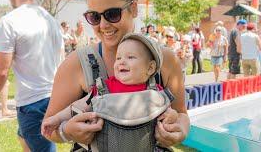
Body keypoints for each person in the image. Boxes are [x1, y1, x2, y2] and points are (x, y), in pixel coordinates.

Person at [43, 0, 189, 149]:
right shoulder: (76, 64)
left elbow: (181, 113)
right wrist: (66, 131)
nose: (103, 25)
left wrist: (178, 129)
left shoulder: (164, 59)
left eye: (112, 14)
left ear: (133, 8)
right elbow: (49, 128)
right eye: (94, 17)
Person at [0, 0, 64, 151]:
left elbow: (0, 71)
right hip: (53, 97)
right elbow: (61, 59)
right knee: (23, 136)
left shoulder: (9, 22)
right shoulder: (50, 19)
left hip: (32, 105)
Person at [42, 33, 170, 139]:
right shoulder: (105, 88)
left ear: (150, 68)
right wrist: (57, 118)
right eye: (118, 58)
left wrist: (172, 118)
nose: (122, 62)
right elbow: (80, 105)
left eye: (130, 57)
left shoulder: (155, 92)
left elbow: (169, 112)